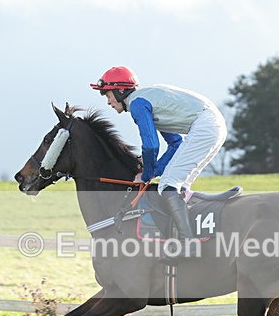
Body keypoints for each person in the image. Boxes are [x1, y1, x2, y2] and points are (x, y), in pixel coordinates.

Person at [91, 66, 227, 260]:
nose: (108, 102)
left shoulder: (137, 104)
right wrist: (153, 171)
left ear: (121, 90)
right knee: (175, 185)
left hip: (205, 126)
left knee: (169, 185)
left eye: (108, 95)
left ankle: (187, 245)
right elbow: (174, 143)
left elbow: (150, 146)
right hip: (211, 125)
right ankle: (183, 235)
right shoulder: (147, 100)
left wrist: (146, 174)